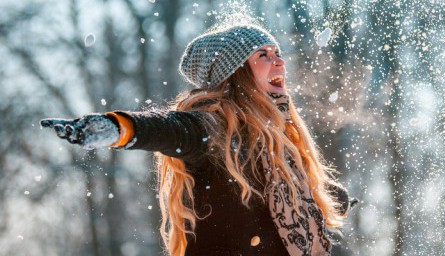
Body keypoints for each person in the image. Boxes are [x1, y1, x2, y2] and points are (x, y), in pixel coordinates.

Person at [40, 23, 357, 256]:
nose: (279, 61)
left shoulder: (279, 143)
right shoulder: (215, 127)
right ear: (237, 73)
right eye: (263, 54)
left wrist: (326, 198)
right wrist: (116, 128)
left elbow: (277, 196)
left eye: (278, 53)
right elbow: (169, 128)